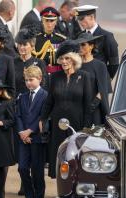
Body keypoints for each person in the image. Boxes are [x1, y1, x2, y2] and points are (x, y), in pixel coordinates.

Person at [39, 40, 92, 178]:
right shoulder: (55, 77)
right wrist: (43, 118)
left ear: (74, 59)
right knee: (59, 155)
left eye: (67, 58)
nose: (64, 61)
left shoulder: (84, 76)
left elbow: (88, 105)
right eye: (61, 58)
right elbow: (49, 101)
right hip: (58, 124)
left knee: (75, 155)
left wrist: (86, 128)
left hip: (77, 124)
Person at [16, 66, 48, 198]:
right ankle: (30, 196)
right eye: (26, 80)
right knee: (22, 168)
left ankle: (39, 197)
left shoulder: (45, 96)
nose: (28, 83)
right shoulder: (22, 96)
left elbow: (43, 116)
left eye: (31, 80)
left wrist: (30, 131)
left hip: (37, 139)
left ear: (39, 79)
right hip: (24, 139)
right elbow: (18, 115)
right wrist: (22, 132)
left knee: (37, 171)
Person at [74, 5, 119, 79]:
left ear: (91, 17)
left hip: (97, 79)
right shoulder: (78, 36)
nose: (80, 22)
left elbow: (114, 63)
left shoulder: (106, 36)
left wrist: (106, 79)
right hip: (81, 79)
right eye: (78, 19)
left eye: (82, 18)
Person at [76, 32, 112, 125]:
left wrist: (91, 107)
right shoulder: (75, 65)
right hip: (77, 110)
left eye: (83, 44)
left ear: (91, 46)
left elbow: (103, 91)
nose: (80, 47)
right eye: (79, 44)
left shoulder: (100, 65)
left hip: (94, 111)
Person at [14, 27, 47, 97]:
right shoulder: (11, 62)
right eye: (20, 44)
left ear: (32, 46)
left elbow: (44, 85)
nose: (21, 47)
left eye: (25, 45)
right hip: (16, 102)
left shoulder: (40, 63)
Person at [33, 7, 66, 75]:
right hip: (40, 75)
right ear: (42, 21)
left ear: (56, 21)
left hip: (58, 75)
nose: (49, 24)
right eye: (47, 20)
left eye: (52, 21)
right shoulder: (35, 39)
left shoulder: (62, 40)